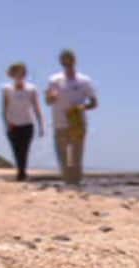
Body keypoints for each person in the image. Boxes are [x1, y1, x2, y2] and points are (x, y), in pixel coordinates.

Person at [45, 49, 98, 185]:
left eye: (70, 60)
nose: (68, 63)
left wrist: (81, 107)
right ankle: (68, 184)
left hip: (77, 123)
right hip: (60, 122)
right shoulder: (54, 80)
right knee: (63, 157)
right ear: (61, 62)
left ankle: (76, 185)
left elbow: (94, 103)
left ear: (75, 61)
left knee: (76, 158)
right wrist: (51, 97)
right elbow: (48, 101)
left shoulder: (84, 80)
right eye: (65, 60)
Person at [1, 62, 44, 181]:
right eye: (16, 73)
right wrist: (6, 123)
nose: (19, 76)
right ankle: (21, 172)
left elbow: (36, 107)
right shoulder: (6, 89)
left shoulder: (31, 89)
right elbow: (4, 108)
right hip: (13, 124)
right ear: (12, 75)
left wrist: (41, 125)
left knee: (24, 149)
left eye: (21, 73)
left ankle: (22, 173)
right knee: (16, 149)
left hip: (27, 124)